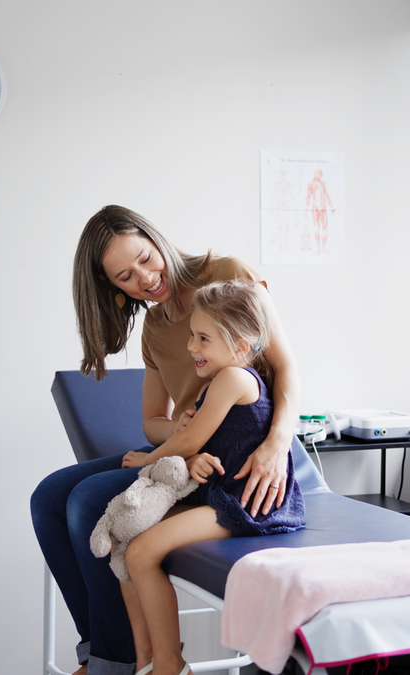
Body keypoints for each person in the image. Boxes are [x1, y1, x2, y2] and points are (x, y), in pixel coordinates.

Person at [31, 205, 301, 675]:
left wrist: (277, 442)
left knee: (87, 502)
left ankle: (113, 664)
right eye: (125, 277)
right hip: (188, 452)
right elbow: (155, 420)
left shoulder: (228, 275)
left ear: (156, 239)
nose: (145, 278)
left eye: (145, 258)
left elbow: (284, 366)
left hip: (244, 452)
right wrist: (176, 434)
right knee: (49, 497)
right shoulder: (155, 327)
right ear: (113, 287)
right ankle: (97, 649)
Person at [120, 279, 304, 675]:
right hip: (222, 493)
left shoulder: (234, 379)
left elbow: (188, 442)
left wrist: (147, 459)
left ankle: (170, 665)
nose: (191, 347)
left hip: (247, 504)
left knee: (139, 551)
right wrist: (194, 455)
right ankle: (146, 660)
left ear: (240, 347)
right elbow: (207, 446)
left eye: (203, 338)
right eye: (192, 335)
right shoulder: (220, 381)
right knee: (124, 540)